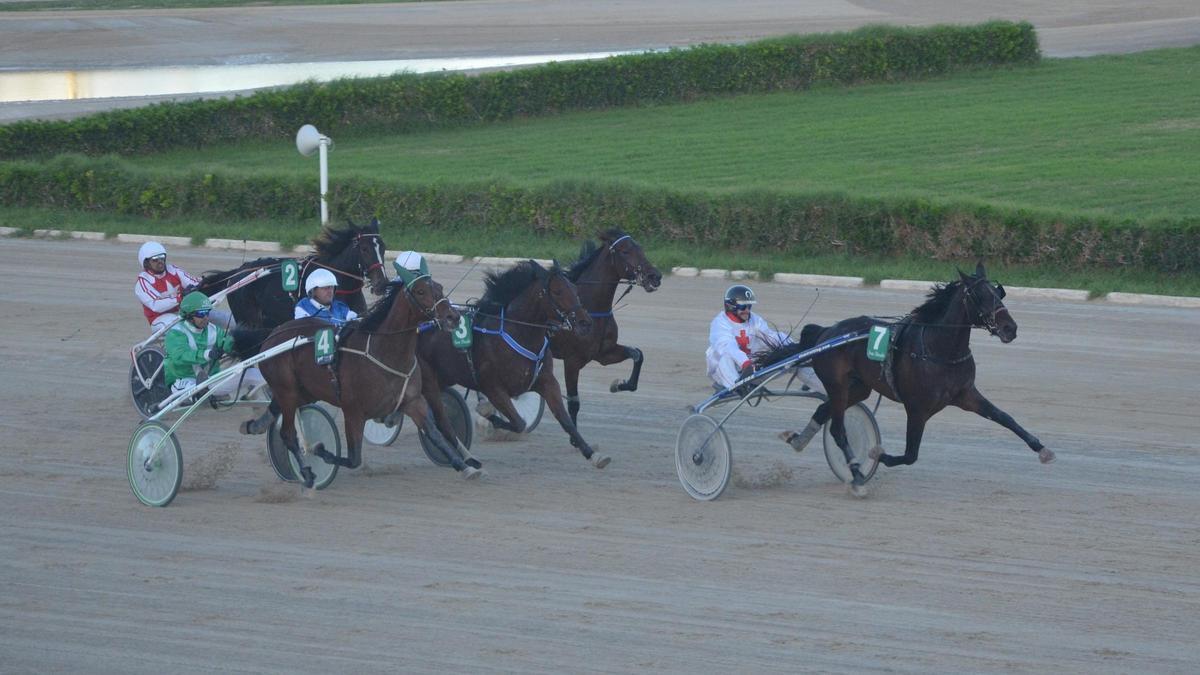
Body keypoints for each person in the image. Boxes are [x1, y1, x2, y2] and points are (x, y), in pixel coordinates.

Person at [164, 292, 265, 402]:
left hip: (211, 380)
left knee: (252, 374)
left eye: (207, 312)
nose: (206, 317)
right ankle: (200, 396)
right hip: (183, 380)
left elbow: (228, 343)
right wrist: (208, 354)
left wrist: (244, 344)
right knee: (197, 390)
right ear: (189, 315)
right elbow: (180, 356)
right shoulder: (175, 333)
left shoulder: (214, 330)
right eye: (201, 313)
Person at [134, 241, 201, 334]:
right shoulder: (143, 282)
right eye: (155, 259)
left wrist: (205, 283)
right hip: (159, 319)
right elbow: (156, 305)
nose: (160, 262)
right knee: (181, 326)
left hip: (183, 312)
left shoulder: (173, 270)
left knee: (212, 316)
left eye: (161, 257)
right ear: (146, 263)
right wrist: (180, 298)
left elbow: (194, 283)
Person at [294, 268, 358, 326]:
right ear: (313, 291)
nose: (330, 291)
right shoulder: (303, 308)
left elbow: (355, 320)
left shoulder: (340, 307)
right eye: (324, 288)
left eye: (331, 287)